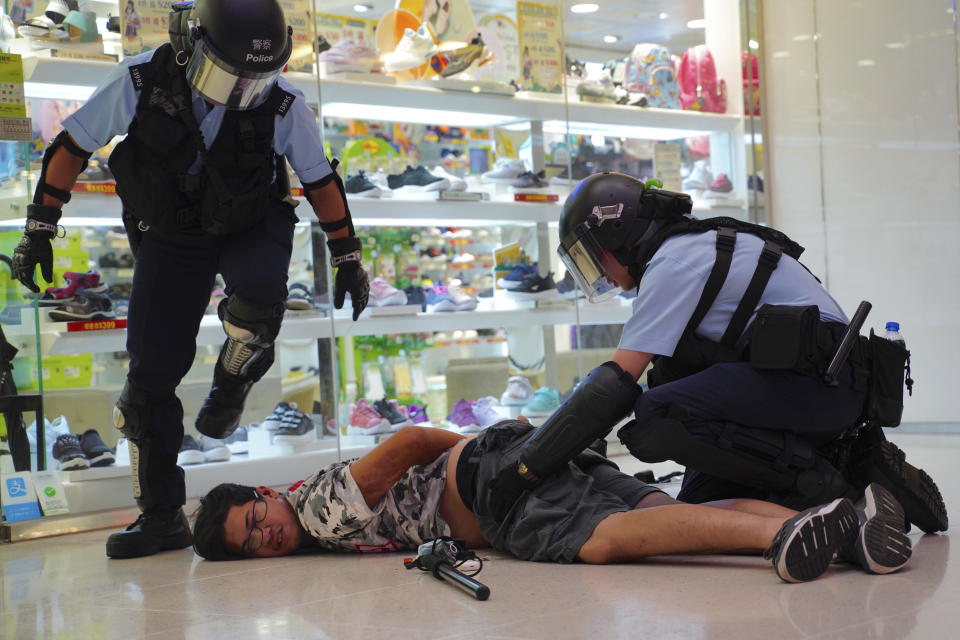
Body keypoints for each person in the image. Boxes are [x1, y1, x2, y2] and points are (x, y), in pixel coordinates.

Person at [11, 0, 370, 559]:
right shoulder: (139, 78)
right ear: (192, 43)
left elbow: (320, 179)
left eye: (258, 78)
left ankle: (235, 374)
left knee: (258, 306)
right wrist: (38, 229)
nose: (242, 89)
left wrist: (349, 256)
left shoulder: (283, 103)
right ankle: (161, 518)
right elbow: (72, 146)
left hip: (251, 221)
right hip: (174, 230)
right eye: (231, 74)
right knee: (148, 382)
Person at [488, 172, 947, 536]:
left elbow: (615, 384)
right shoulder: (692, 248)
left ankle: (836, 484)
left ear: (617, 235)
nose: (599, 272)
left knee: (656, 416)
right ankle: (858, 463)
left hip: (821, 387)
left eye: (593, 257)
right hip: (821, 385)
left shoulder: (674, 262)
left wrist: (523, 470)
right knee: (699, 506)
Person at [191, 420, 913, 583]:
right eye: (250, 543)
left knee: (602, 540)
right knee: (651, 507)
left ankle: (777, 544)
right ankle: (836, 528)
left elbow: (410, 440)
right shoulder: (312, 516)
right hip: (515, 456)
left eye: (256, 520)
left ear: (264, 495)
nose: (267, 537)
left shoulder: (317, 507)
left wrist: (483, 458)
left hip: (495, 484)